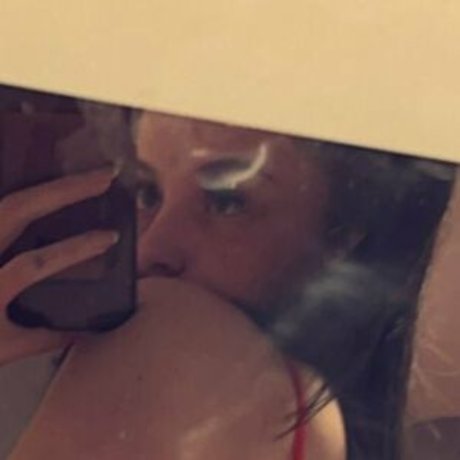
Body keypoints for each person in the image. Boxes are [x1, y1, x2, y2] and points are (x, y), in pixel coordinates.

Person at [0, 102, 453, 459]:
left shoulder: (174, 334)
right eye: (147, 192)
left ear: (340, 239)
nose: (151, 248)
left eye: (227, 203)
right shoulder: (311, 411)